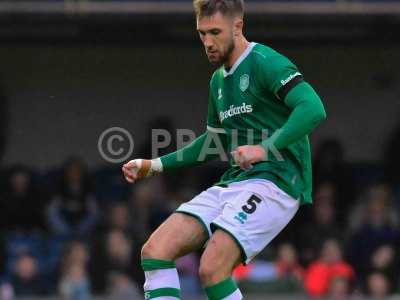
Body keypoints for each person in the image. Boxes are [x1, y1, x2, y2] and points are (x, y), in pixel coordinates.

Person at [122, 0, 326, 299]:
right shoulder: (218, 80)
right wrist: (154, 165)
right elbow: (212, 142)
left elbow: (313, 109)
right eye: (201, 33)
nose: (207, 42)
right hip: (236, 181)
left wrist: (265, 148)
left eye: (214, 32)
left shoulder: (265, 61)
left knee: (213, 266)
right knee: (155, 250)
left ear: (238, 26)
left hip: (278, 181)